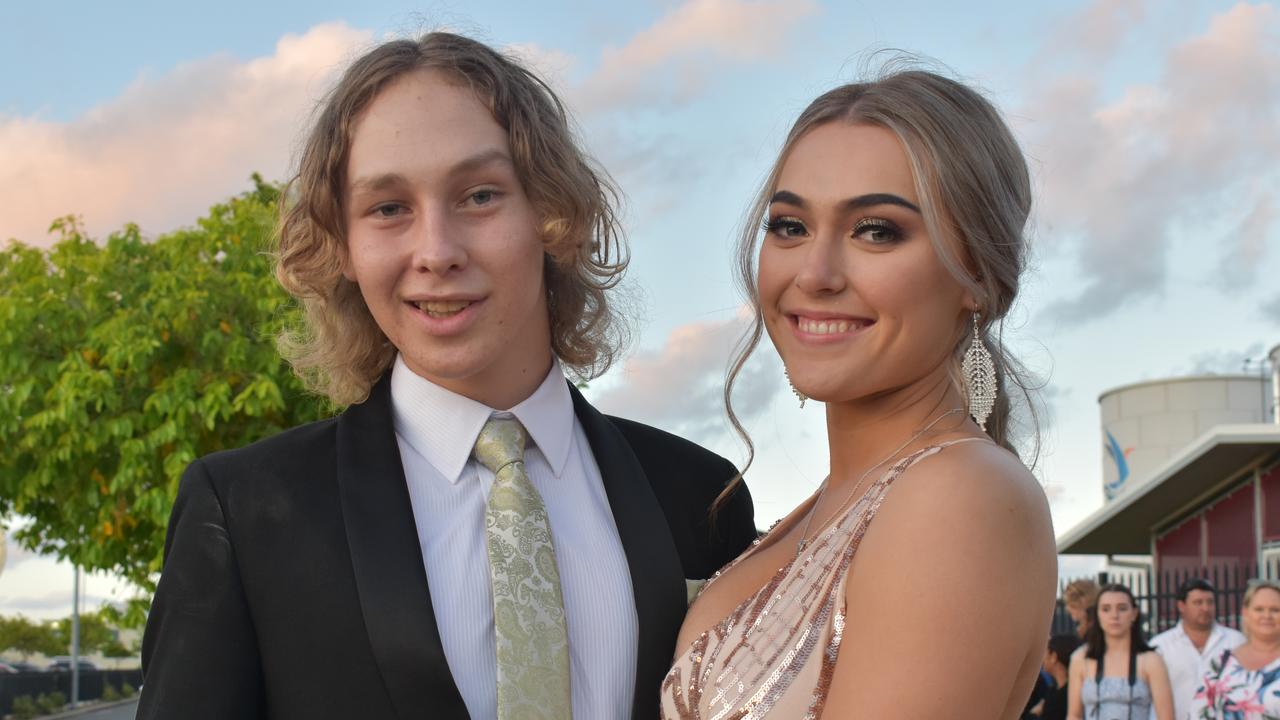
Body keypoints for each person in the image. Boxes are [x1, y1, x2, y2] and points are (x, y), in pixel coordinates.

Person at [137, 32, 757, 720]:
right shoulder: (242, 510)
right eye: (388, 208)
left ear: (551, 216)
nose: (436, 251)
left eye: (480, 195)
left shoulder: (703, 496)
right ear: (343, 246)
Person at [659, 68, 1058, 718]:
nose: (814, 274)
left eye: (876, 230)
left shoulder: (959, 497)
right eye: (790, 226)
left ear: (978, 275)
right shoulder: (832, 506)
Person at [1067, 584, 1174, 720]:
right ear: (1097, 615)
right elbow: (1074, 715)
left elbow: (1167, 717)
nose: (1114, 615)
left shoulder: (1151, 660)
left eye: (1122, 608)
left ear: (1134, 613)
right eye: (1106, 609)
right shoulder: (1081, 659)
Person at [1149, 578, 1244, 719]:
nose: (1205, 608)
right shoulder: (1161, 646)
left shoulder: (1236, 641)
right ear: (1181, 605)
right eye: (1198, 603)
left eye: (1210, 602)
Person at [1188, 579, 1280, 719]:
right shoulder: (1221, 664)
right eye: (1259, 609)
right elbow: (1199, 714)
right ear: (1246, 613)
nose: (1266, 616)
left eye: (1275, 610)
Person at [1043, 633, 1084, 720]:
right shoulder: (1053, 691)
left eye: (1045, 652)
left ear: (1054, 656)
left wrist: (1034, 714)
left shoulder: (1067, 695)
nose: (1043, 658)